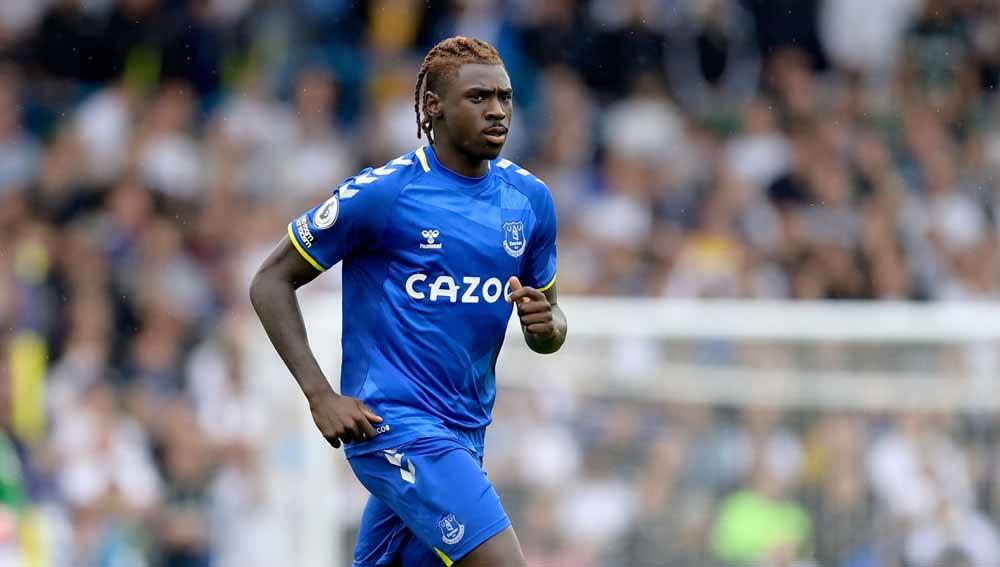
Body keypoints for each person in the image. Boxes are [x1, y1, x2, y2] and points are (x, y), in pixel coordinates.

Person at [249, 36, 566, 567]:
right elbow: (270, 281)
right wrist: (320, 395)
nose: (497, 111)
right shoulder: (385, 194)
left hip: (465, 434)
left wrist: (546, 325)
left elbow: (551, 323)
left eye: (506, 98)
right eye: (479, 97)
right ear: (433, 107)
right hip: (393, 425)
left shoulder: (529, 200)